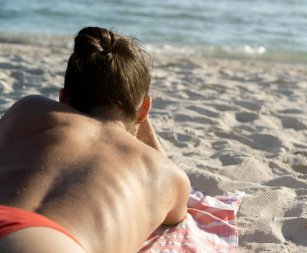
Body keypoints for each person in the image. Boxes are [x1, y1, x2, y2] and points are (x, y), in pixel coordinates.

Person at [0, 27, 190, 253]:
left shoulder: (28, 107)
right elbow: (175, 217)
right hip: (56, 245)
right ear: (144, 110)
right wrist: (141, 120)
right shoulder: (165, 172)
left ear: (63, 98)